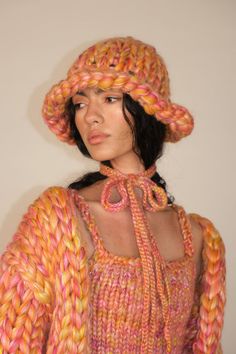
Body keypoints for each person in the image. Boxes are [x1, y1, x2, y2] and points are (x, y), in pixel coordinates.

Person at [0, 37, 225, 353]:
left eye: (108, 98)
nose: (90, 116)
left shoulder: (200, 236)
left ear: (147, 109)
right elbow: (13, 338)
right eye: (80, 103)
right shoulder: (59, 220)